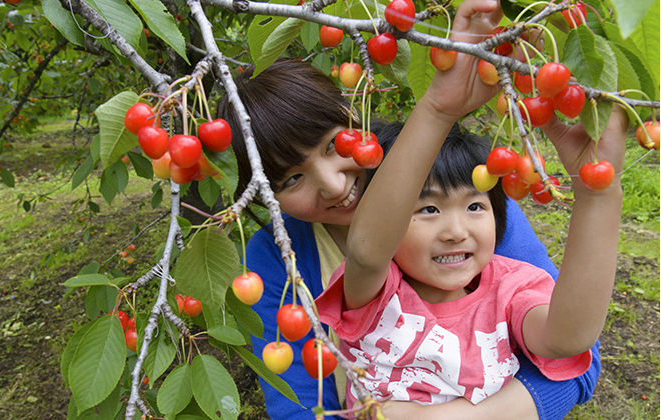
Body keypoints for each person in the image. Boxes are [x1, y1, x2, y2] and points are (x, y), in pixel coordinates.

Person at [216, 2, 602, 418]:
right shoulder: (280, 261)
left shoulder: (461, 192)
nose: (333, 184)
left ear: (356, 117)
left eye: (333, 145)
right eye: (291, 179)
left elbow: (573, 361)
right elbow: (298, 408)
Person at [314, 109, 626, 414]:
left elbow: (566, 338)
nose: (456, 231)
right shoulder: (374, 298)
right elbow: (367, 253)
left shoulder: (511, 290)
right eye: (429, 209)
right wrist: (438, 109)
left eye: (475, 206)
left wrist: (598, 195)